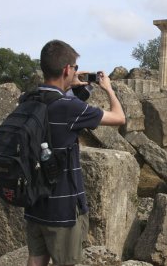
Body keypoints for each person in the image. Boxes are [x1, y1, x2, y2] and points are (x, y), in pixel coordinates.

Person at [25, 40, 125, 266]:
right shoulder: (68, 108)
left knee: (35, 259)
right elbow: (119, 117)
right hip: (62, 208)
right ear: (67, 70)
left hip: (34, 202)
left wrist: (70, 86)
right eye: (75, 68)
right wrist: (108, 87)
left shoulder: (29, 99)